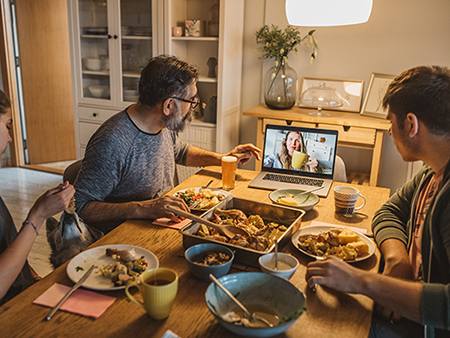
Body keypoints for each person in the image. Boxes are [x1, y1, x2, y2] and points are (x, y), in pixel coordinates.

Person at [305, 66, 450, 338]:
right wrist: (398, 260)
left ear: (410, 124)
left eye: (389, 122)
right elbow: (390, 210)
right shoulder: (432, 171)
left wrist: (361, 281)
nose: (388, 131)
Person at [74, 55, 261, 233]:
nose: (194, 105)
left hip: (163, 223)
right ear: (168, 105)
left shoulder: (162, 124)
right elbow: (79, 205)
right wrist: (143, 208)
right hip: (123, 238)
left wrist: (223, 158)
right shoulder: (113, 142)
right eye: (191, 100)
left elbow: (178, 151)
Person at [0, 90, 74, 305]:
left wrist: (34, 280)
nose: (10, 137)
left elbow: (6, 249)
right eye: (7, 125)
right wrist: (38, 214)